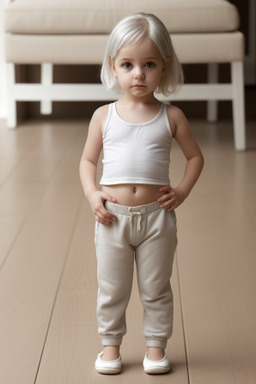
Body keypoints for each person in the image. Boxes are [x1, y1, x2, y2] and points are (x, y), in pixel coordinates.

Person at [79, 13, 204, 375]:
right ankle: (110, 347)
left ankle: (155, 348)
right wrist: (92, 194)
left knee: (156, 287)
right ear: (113, 67)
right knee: (112, 289)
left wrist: (181, 190)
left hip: (157, 219)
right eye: (128, 64)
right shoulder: (104, 116)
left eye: (149, 64)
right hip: (112, 218)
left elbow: (195, 157)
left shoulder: (172, 116)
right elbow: (88, 161)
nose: (138, 74)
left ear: (164, 67)